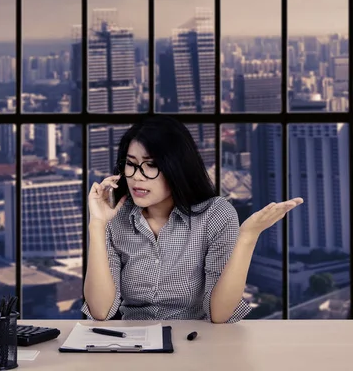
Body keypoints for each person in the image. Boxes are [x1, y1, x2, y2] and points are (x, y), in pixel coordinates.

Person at [82, 115, 303, 323]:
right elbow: (101, 311)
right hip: (133, 346)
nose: (137, 176)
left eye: (151, 165)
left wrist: (248, 237)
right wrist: (97, 225)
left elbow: (220, 315)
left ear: (176, 167)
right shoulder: (115, 217)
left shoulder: (216, 214)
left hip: (195, 343)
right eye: (130, 164)